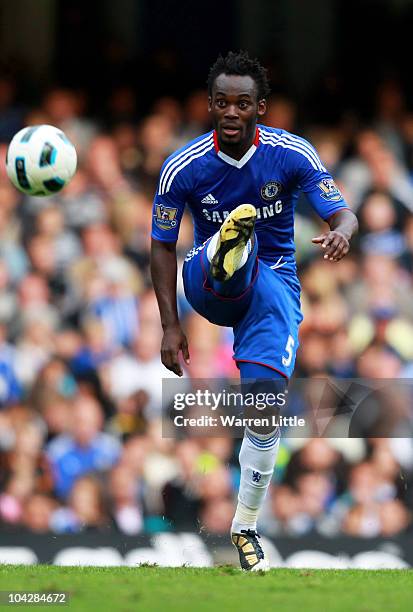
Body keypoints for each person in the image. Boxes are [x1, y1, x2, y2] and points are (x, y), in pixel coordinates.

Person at [150, 50, 358, 571]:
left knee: (264, 409)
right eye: (222, 102)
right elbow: (161, 245)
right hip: (205, 278)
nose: (231, 112)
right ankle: (230, 247)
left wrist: (341, 234)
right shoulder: (184, 166)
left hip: (274, 292)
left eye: (243, 103)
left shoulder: (292, 154)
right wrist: (170, 325)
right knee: (229, 262)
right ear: (210, 104)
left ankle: (244, 526)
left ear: (260, 107)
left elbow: (343, 212)